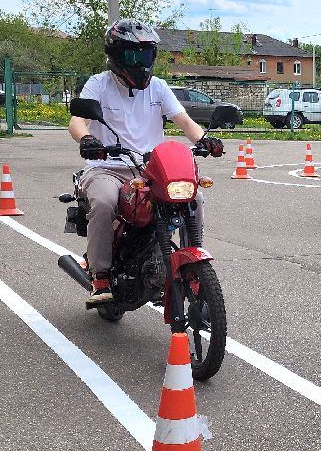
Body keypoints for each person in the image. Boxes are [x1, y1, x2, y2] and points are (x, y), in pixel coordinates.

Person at [68, 19, 223, 307]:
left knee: (194, 197)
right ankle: (100, 274)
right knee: (103, 202)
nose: (141, 62)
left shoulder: (159, 88)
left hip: (151, 168)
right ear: (116, 55)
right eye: (133, 55)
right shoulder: (99, 84)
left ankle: (191, 261)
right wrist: (87, 140)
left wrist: (204, 139)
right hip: (107, 166)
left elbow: (185, 121)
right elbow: (78, 121)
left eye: (147, 55)